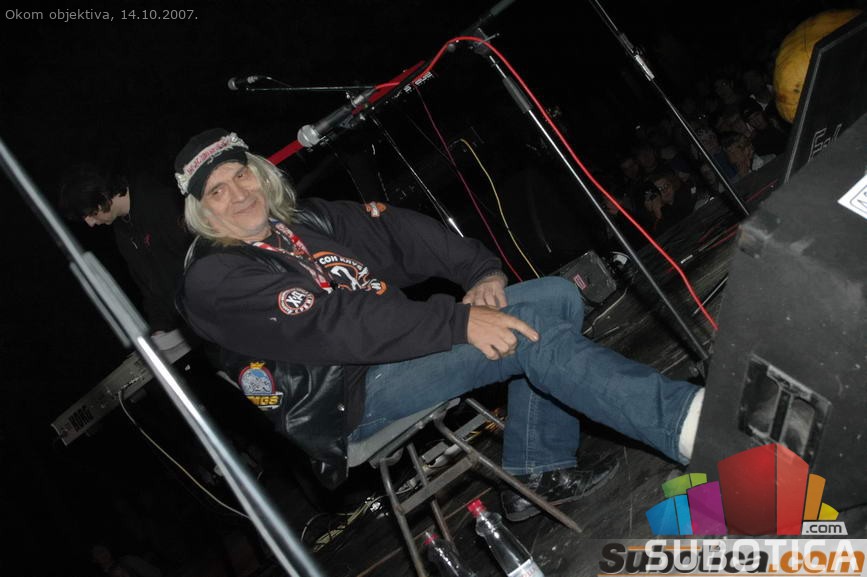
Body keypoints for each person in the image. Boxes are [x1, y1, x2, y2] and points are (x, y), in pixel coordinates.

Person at [174, 129, 705, 523]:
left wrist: (479, 272)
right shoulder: (214, 279)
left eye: (240, 174)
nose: (238, 194)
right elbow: (336, 325)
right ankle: (690, 425)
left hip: (398, 352)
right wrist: (460, 321)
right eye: (217, 191)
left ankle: (537, 468)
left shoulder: (304, 222)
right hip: (350, 397)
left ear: (260, 174)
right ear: (203, 212)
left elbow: (397, 234)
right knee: (523, 328)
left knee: (556, 295)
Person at [58, 162, 192, 350]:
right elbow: (149, 287)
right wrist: (159, 329)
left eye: (90, 213)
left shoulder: (160, 201)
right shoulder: (121, 230)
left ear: (103, 195)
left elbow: (197, 261)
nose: (90, 223)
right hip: (185, 325)